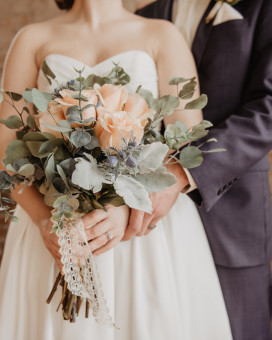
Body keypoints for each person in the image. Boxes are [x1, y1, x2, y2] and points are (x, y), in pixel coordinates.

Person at [0, 0, 234, 339]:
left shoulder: (161, 35)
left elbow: (187, 143)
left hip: (144, 235)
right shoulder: (32, 38)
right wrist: (43, 221)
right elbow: (7, 152)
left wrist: (129, 203)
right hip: (57, 228)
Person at [132, 0, 272, 339]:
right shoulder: (144, 16)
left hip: (231, 216)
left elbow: (267, 108)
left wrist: (182, 172)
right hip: (148, 229)